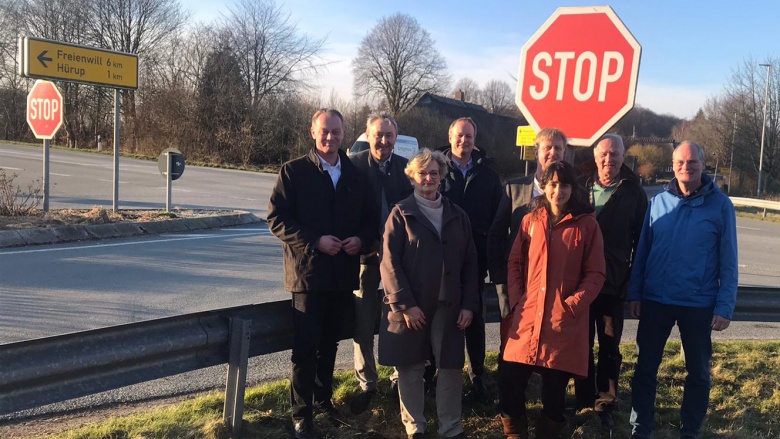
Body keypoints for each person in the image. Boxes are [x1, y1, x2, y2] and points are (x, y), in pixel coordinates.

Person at [267, 108, 378, 439]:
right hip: (308, 276)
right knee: (305, 347)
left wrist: (361, 239)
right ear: (313, 132)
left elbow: (372, 221)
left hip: (343, 274)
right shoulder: (294, 172)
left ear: (345, 134)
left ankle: (322, 400)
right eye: (324, 131)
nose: (330, 137)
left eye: (336, 132)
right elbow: (277, 219)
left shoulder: (356, 176)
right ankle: (301, 414)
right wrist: (315, 240)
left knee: (329, 343)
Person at [628, 141, 738, 439]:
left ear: (704, 164)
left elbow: (729, 260)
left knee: (699, 373)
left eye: (692, 163)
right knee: (645, 369)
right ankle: (641, 427)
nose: (686, 168)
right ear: (672, 165)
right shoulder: (658, 201)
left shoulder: (721, 206)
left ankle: (690, 430)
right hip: (655, 299)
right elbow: (643, 252)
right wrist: (635, 292)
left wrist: (724, 306)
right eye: (680, 163)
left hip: (698, 303)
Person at [499, 161, 606, 439]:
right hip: (528, 316)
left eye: (565, 184)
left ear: (573, 188)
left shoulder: (587, 225)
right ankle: (515, 435)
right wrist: (518, 300)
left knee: (554, 392)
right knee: (510, 377)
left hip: (563, 321)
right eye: (553, 184)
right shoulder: (530, 221)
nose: (558, 190)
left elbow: (595, 274)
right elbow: (514, 263)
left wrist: (572, 305)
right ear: (544, 186)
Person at [378, 148, 478, 439]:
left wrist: (469, 305)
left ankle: (451, 428)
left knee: (450, 367)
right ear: (412, 177)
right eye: (422, 173)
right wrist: (405, 305)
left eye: (434, 173)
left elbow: (471, 263)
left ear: (441, 177)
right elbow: (389, 263)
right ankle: (415, 427)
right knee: (410, 367)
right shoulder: (400, 213)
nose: (429, 178)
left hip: (449, 306)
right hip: (413, 307)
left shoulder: (458, 215)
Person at [573, 134, 647, 428]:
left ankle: (604, 401)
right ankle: (581, 399)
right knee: (580, 344)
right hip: (577, 283)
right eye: (603, 154)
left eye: (615, 154)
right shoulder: (579, 186)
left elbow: (641, 243)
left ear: (623, 156)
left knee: (608, 346)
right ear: (595, 156)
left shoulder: (634, 192)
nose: (609, 159)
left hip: (613, 284)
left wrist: (632, 284)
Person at [349, 112, 413, 414]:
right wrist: (368, 244)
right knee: (363, 321)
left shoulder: (406, 169)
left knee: (397, 318)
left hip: (398, 260)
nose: (384, 141)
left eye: (389, 136)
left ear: (395, 138)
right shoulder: (355, 165)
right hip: (365, 257)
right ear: (367, 134)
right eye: (379, 135)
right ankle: (367, 383)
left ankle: (398, 378)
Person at [439, 117, 502, 404]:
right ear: (450, 137)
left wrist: (490, 250)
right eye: (460, 136)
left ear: (475, 139)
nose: (465, 141)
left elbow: (498, 218)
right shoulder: (436, 169)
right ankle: (435, 371)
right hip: (440, 258)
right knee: (439, 314)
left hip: (476, 257)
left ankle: (477, 373)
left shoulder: (488, 173)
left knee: (473, 316)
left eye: (469, 136)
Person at [487, 128, 567, 345]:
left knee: (546, 335)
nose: (553, 152)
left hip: (552, 279)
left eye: (558, 148)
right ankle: (508, 376)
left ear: (565, 152)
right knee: (512, 332)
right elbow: (496, 233)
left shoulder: (571, 191)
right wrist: (499, 275)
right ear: (536, 151)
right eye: (547, 147)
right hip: (514, 277)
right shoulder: (514, 188)